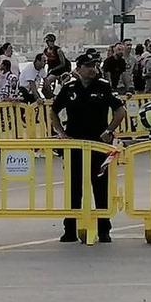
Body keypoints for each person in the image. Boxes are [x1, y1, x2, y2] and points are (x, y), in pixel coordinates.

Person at [51, 49, 119, 243]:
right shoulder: (70, 88)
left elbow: (120, 111)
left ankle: (104, 230)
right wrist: (61, 134)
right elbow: (54, 111)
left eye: (94, 66)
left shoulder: (103, 87)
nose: (93, 69)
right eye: (88, 66)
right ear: (79, 68)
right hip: (75, 144)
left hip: (98, 146)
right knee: (74, 189)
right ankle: (70, 229)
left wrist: (109, 131)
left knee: (100, 188)